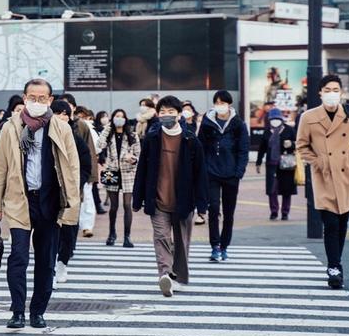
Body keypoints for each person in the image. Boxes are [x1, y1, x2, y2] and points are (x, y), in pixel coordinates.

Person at [0, 78, 80, 329]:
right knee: (18, 256)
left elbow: (72, 168)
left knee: (45, 259)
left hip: (50, 202)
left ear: (50, 100)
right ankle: (18, 311)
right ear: (24, 98)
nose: (37, 102)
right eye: (32, 97)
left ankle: (37, 311)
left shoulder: (61, 128)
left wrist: (73, 205)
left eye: (42, 98)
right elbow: (0, 169)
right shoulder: (11, 127)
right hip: (20, 200)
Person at [133, 95, 208, 297]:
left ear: (179, 113)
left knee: (181, 242)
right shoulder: (152, 138)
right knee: (161, 237)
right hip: (157, 200)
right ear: (158, 114)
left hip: (183, 201)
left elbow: (200, 174)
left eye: (171, 112)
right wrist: (137, 199)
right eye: (163, 112)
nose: (166, 115)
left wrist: (202, 206)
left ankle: (178, 276)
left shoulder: (191, 140)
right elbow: (143, 169)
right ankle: (165, 274)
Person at [296, 74, 349, 289]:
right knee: (330, 224)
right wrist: (318, 161)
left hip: (347, 175)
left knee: (342, 224)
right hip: (324, 177)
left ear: (341, 92)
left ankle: (335, 264)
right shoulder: (309, 117)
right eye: (327, 90)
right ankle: (334, 267)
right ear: (320, 92)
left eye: (335, 89)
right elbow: (302, 146)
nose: (332, 94)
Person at [197, 90, 249, 262]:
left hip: (231, 175)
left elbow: (243, 150)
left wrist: (238, 173)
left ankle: (225, 246)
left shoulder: (238, 124)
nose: (220, 105)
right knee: (213, 209)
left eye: (223, 102)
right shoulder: (207, 122)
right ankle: (215, 246)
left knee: (229, 212)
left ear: (229, 104)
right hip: (211, 173)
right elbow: (200, 148)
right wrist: (203, 169)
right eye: (217, 102)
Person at [50, 101, 92, 285]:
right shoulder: (43, 137)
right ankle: (49, 267)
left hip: (71, 193)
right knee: (50, 232)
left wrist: (76, 184)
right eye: (57, 113)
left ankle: (62, 263)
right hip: (49, 193)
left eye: (65, 114)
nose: (61, 117)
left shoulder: (77, 140)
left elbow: (86, 166)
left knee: (68, 230)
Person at [98, 108, 140, 248]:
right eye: (117, 116)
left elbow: (138, 155)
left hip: (128, 172)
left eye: (122, 116)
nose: (119, 119)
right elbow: (99, 146)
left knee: (127, 205)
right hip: (111, 171)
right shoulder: (108, 133)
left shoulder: (132, 134)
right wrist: (107, 128)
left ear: (126, 119)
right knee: (113, 207)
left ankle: (127, 237)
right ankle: (112, 234)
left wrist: (132, 159)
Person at [256, 108, 297, 221]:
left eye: (277, 119)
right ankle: (274, 212)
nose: (275, 121)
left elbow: (299, 142)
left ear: (281, 119)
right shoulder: (267, 131)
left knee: (286, 189)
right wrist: (258, 162)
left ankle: (285, 212)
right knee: (272, 190)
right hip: (271, 164)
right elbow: (262, 148)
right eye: (272, 119)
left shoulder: (289, 130)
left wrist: (292, 144)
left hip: (286, 164)